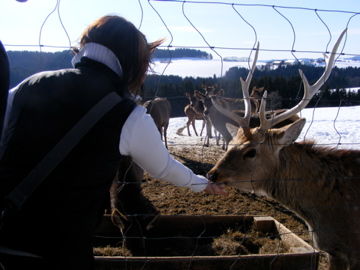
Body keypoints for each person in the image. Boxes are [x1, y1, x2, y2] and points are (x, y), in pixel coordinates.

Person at [0, 15, 226, 270]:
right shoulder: (128, 114)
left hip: (4, 241)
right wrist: (201, 184)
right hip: (61, 254)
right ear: (134, 63)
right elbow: (164, 168)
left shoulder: (27, 86)